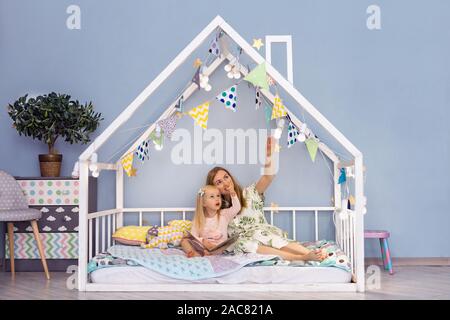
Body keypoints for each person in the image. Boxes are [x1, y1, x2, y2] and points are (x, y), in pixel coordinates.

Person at [205, 137, 325, 262]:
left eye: (226, 177)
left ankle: (311, 253)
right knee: (243, 243)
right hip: (248, 245)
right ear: (213, 188)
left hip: (264, 235)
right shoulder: (217, 212)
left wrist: (269, 156)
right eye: (219, 182)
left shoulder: (250, 193)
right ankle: (299, 258)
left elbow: (268, 177)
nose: (225, 182)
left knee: (261, 235)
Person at [181, 184, 241, 257]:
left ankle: (208, 253)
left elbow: (237, 208)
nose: (217, 199)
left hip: (219, 247)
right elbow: (194, 236)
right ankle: (193, 253)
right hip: (203, 247)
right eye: (212, 196)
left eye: (218, 196)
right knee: (184, 240)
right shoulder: (199, 220)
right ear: (203, 203)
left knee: (231, 243)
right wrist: (203, 241)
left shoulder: (224, 214)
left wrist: (232, 192)